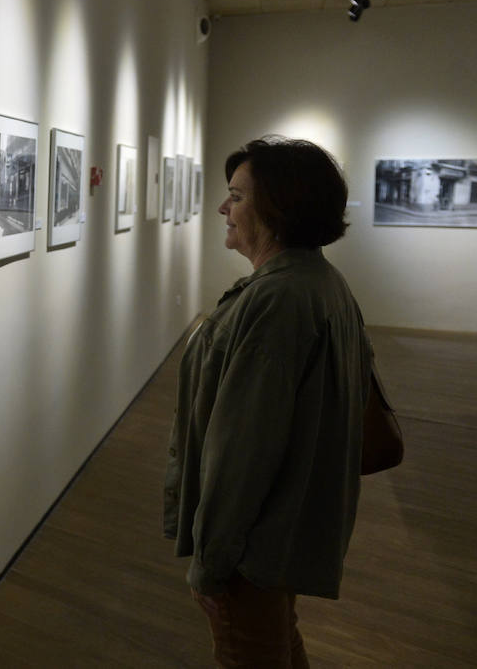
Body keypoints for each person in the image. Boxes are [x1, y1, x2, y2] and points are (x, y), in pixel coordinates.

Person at [164, 137, 370, 668]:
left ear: (277, 208)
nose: (221, 208)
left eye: (236, 196)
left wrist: (211, 564)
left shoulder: (278, 299)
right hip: (282, 530)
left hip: (253, 547)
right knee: (277, 643)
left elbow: (243, 451)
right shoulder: (319, 281)